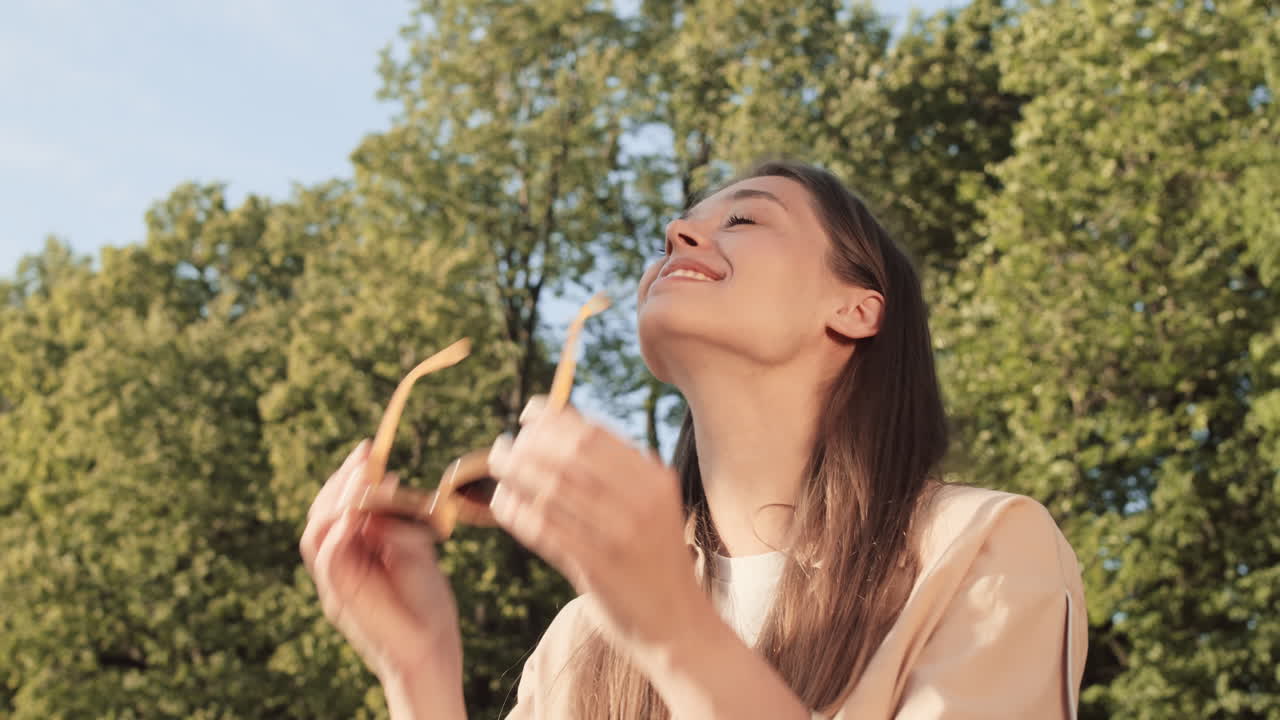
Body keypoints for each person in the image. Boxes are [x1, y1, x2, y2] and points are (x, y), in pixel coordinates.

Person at [299, 160, 1088, 719]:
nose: (678, 231)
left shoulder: (980, 549)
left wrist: (674, 633)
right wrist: (419, 671)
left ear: (855, 309)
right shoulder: (584, 637)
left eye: (743, 218)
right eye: (682, 226)